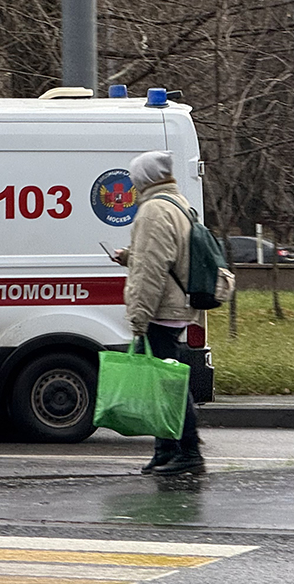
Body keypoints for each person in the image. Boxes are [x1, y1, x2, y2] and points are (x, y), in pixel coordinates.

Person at [112, 150, 204, 475]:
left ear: (145, 178)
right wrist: (130, 256)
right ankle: (165, 451)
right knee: (161, 383)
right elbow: (162, 254)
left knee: (168, 386)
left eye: (135, 178)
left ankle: (189, 452)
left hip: (161, 311)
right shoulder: (177, 204)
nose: (133, 184)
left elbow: (151, 270)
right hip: (175, 307)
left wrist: (139, 316)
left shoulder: (153, 210)